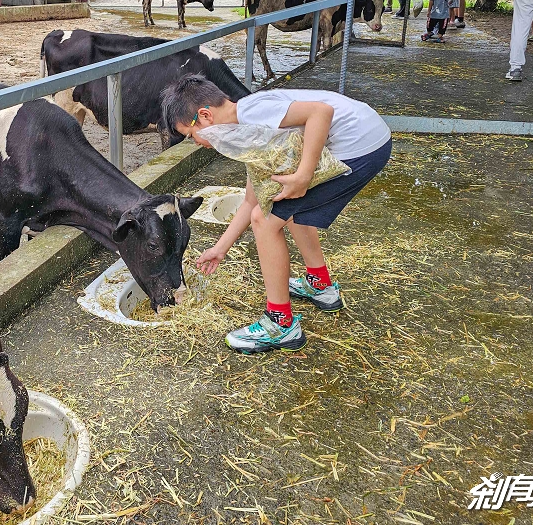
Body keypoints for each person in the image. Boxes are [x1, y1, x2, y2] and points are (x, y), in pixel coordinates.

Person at [161, 76, 392, 354]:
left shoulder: (250, 113)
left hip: (359, 145)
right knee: (283, 204)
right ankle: (320, 286)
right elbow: (252, 198)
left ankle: (281, 325)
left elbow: (321, 112)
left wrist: (303, 176)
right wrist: (220, 249)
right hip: (370, 137)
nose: (195, 142)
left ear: (205, 116)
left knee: (265, 220)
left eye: (191, 134)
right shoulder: (245, 130)